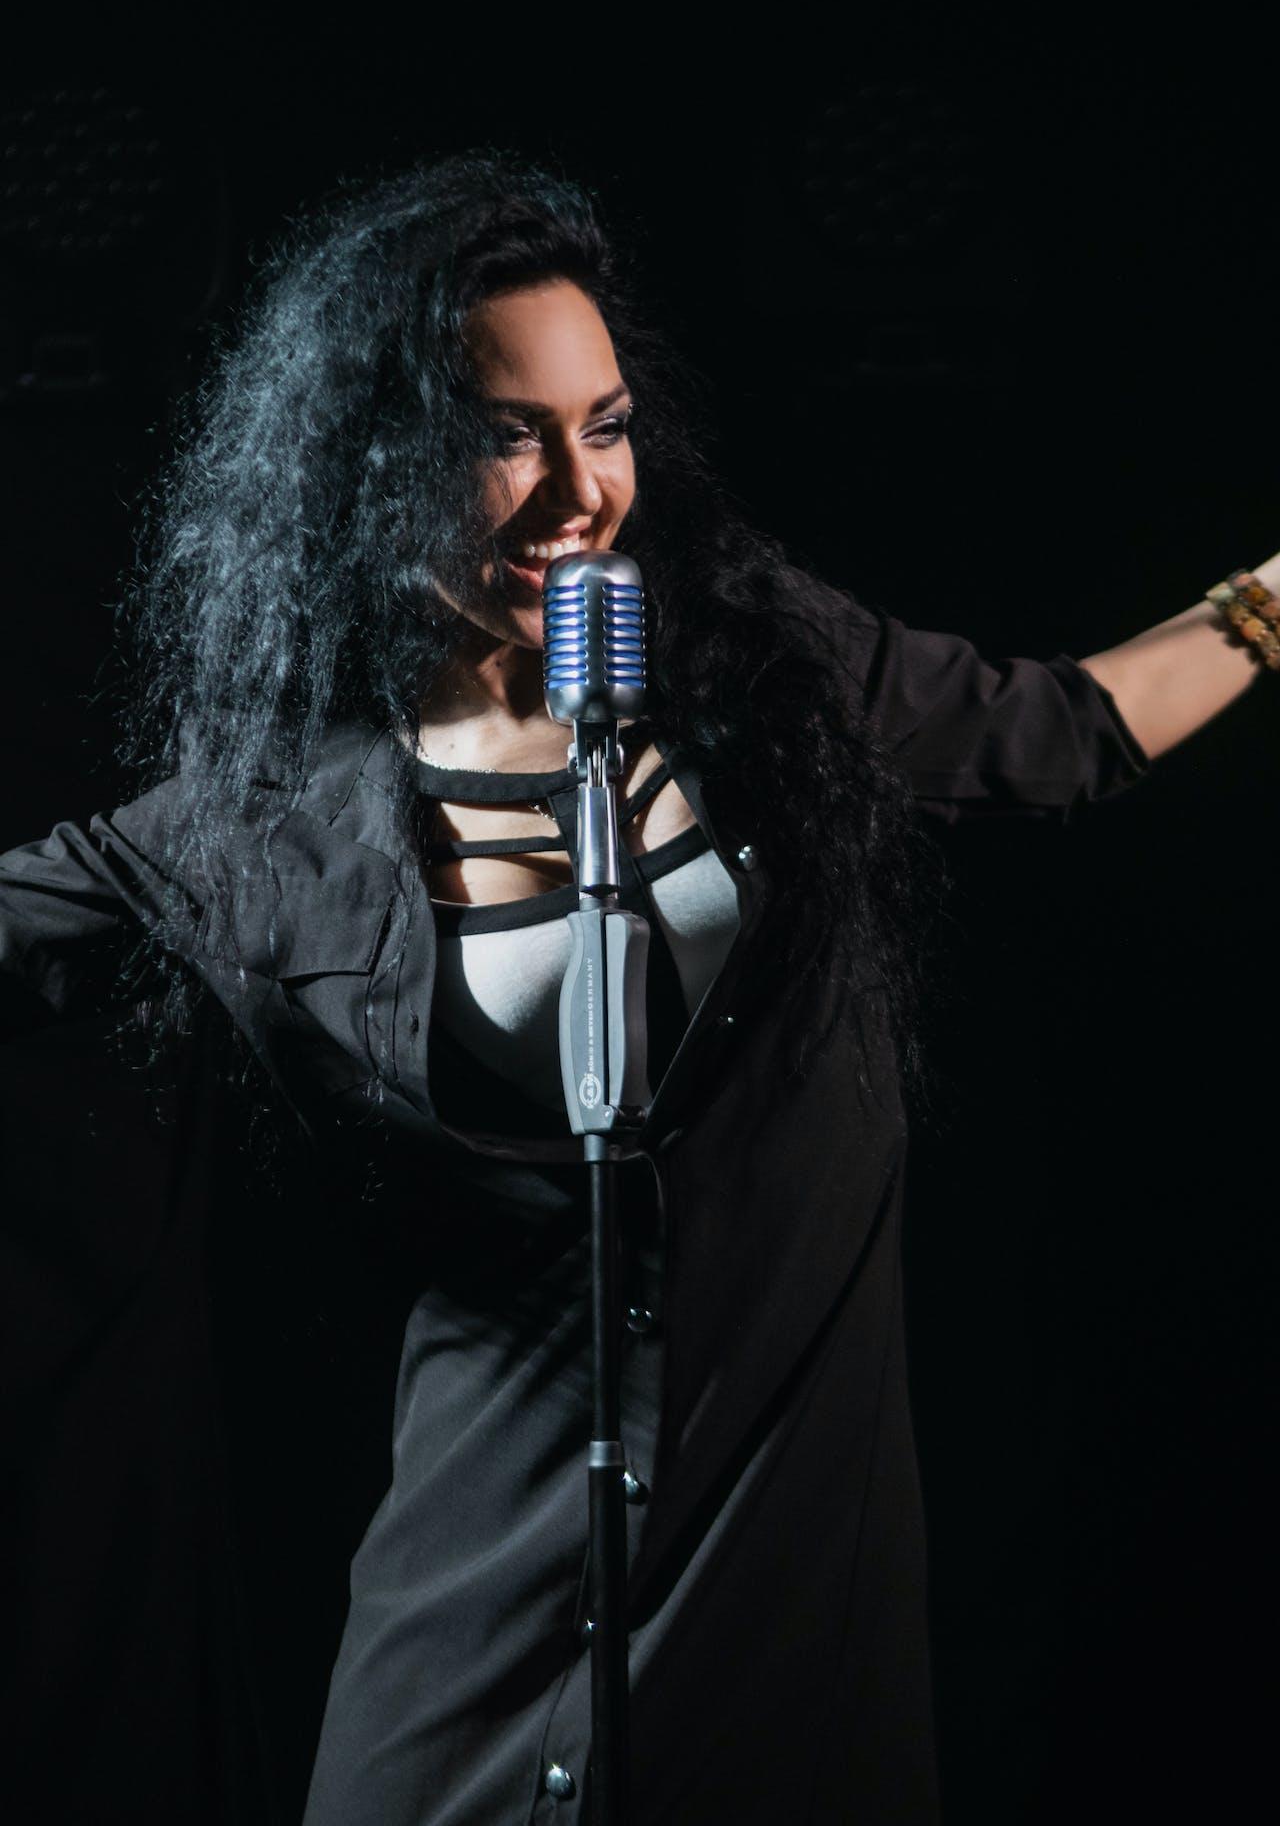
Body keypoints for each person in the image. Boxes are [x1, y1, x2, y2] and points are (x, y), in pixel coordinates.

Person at [1, 150, 1274, 1825]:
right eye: (504, 433)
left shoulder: (769, 681)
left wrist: (1270, 603)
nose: (578, 490)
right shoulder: (257, 834)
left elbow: (1068, 731)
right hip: (475, 1619)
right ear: (364, 461)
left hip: (783, 1613)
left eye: (601, 427)